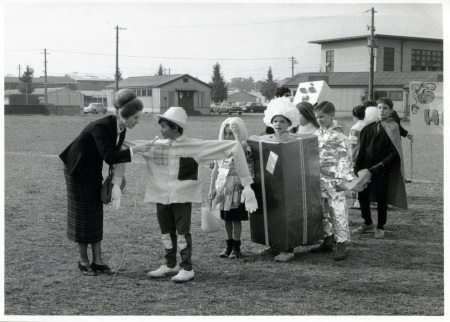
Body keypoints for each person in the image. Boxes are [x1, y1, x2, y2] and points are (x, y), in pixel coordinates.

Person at [112, 107, 258, 283]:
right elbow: (120, 146)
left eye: (164, 126)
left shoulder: (197, 145)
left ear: (174, 127)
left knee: (182, 232)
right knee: (166, 232)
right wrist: (116, 183)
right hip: (160, 197)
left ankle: (187, 267)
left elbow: (234, 146)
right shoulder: (154, 145)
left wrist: (247, 185)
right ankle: (170, 264)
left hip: (182, 197)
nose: (161, 130)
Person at [59, 89, 152, 276]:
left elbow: (114, 157)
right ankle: (83, 261)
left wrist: (116, 182)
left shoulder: (121, 128)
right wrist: (135, 150)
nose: (137, 122)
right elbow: (109, 156)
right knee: (83, 217)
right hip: (77, 171)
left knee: (96, 215)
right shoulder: (101, 127)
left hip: (92, 172)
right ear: (123, 115)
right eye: (135, 118)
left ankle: (98, 261)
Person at [352, 97, 408, 239]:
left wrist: (377, 167)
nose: (382, 110)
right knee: (362, 195)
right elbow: (362, 151)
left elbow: (394, 153)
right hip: (365, 170)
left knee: (381, 198)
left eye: (385, 108)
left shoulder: (393, 128)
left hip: (382, 170)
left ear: (391, 110)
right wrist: (357, 169)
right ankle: (367, 222)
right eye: (379, 107)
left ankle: (380, 226)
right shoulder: (367, 128)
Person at [254, 96, 301, 262]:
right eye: (275, 121)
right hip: (271, 184)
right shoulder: (268, 139)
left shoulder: (295, 141)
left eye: (282, 121)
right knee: (272, 215)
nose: (278, 124)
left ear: (289, 123)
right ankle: (274, 244)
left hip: (288, 186)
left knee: (287, 216)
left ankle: (288, 248)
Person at [310, 101, 354, 261]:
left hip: (335, 181)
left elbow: (345, 158)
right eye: (317, 117)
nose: (319, 119)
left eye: (322, 116)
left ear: (331, 115)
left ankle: (341, 243)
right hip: (319, 180)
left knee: (338, 212)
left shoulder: (339, 136)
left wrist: (341, 179)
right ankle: (327, 239)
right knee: (324, 211)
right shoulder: (316, 134)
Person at [208, 117, 253, 259]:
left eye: (231, 133)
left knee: (236, 219)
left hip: (238, 188)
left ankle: (236, 248)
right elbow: (215, 169)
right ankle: (228, 246)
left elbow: (240, 152)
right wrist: (211, 188)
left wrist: (238, 137)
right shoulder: (220, 149)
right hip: (222, 187)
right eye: (226, 133)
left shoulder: (245, 146)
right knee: (226, 219)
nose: (228, 136)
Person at [348, 105, 367, 209]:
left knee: (355, 178)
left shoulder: (355, 128)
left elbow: (353, 144)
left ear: (354, 116)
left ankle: (356, 201)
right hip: (367, 156)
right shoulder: (369, 125)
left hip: (357, 156)